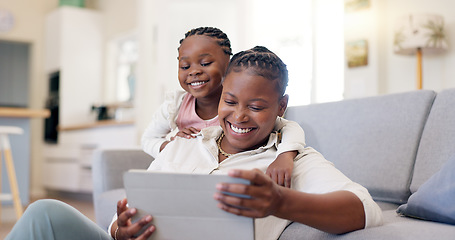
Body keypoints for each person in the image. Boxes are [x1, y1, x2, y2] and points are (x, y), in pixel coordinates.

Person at [5, 46, 382, 240]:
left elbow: (365, 209)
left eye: (257, 107)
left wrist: (280, 201)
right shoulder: (186, 142)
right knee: (44, 214)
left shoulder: (290, 161)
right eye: (230, 102)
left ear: (281, 106)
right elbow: (129, 223)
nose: (239, 116)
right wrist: (122, 230)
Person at [141, 27, 307, 187]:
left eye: (205, 63)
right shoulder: (175, 104)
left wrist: (286, 154)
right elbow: (148, 139)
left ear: (229, 65)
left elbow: (288, 127)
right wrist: (172, 146)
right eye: (185, 66)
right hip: (185, 168)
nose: (194, 72)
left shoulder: (240, 103)